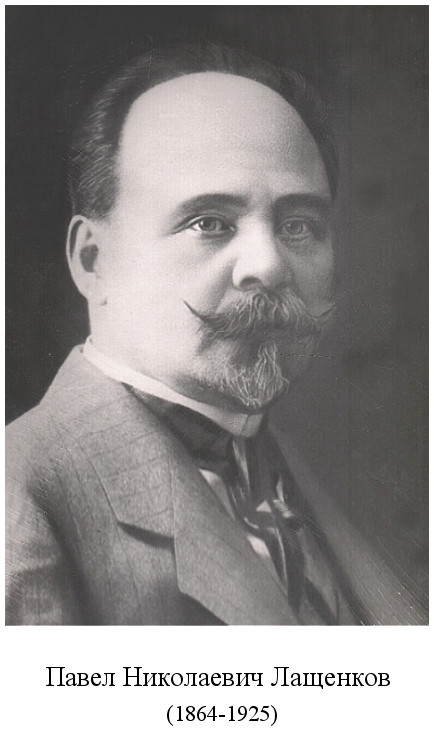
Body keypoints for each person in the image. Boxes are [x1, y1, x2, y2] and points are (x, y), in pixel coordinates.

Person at [5, 42, 427, 625]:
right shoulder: (20, 498)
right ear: (93, 261)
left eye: (299, 225)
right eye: (209, 222)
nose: (269, 266)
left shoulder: (313, 475)